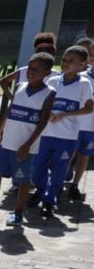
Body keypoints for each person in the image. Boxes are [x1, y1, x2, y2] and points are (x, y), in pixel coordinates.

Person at [0, 53, 55, 227]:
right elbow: (10, 111)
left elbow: (42, 123)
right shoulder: (20, 86)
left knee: (23, 180)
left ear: (47, 73)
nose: (31, 72)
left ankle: (18, 213)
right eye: (29, 68)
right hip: (7, 142)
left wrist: (27, 145)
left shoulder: (49, 93)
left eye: (36, 69)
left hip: (26, 146)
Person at [31, 45, 94, 216]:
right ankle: (42, 191)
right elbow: (41, 102)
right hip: (46, 134)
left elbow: (89, 108)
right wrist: (48, 111)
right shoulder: (52, 81)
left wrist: (66, 114)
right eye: (64, 59)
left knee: (59, 170)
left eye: (71, 61)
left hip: (67, 136)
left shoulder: (84, 84)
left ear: (82, 66)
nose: (65, 63)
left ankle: (49, 200)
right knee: (37, 170)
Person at [68, 37, 94, 202]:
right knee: (69, 154)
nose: (93, 58)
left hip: (91, 127)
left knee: (85, 155)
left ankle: (75, 185)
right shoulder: (81, 77)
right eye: (92, 54)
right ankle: (55, 183)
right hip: (75, 124)